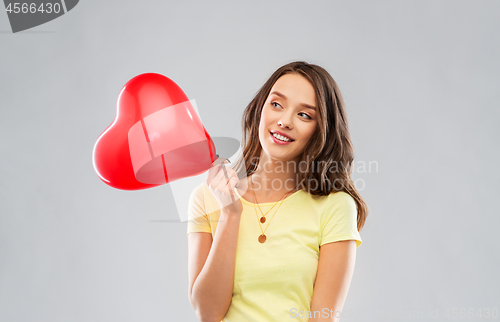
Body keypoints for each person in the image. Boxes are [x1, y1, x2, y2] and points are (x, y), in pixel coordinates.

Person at [186, 61, 368, 322]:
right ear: (260, 108)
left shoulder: (335, 206)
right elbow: (207, 313)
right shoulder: (206, 198)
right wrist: (230, 214)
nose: (284, 121)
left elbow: (323, 318)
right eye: (276, 104)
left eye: (304, 115)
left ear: (320, 130)